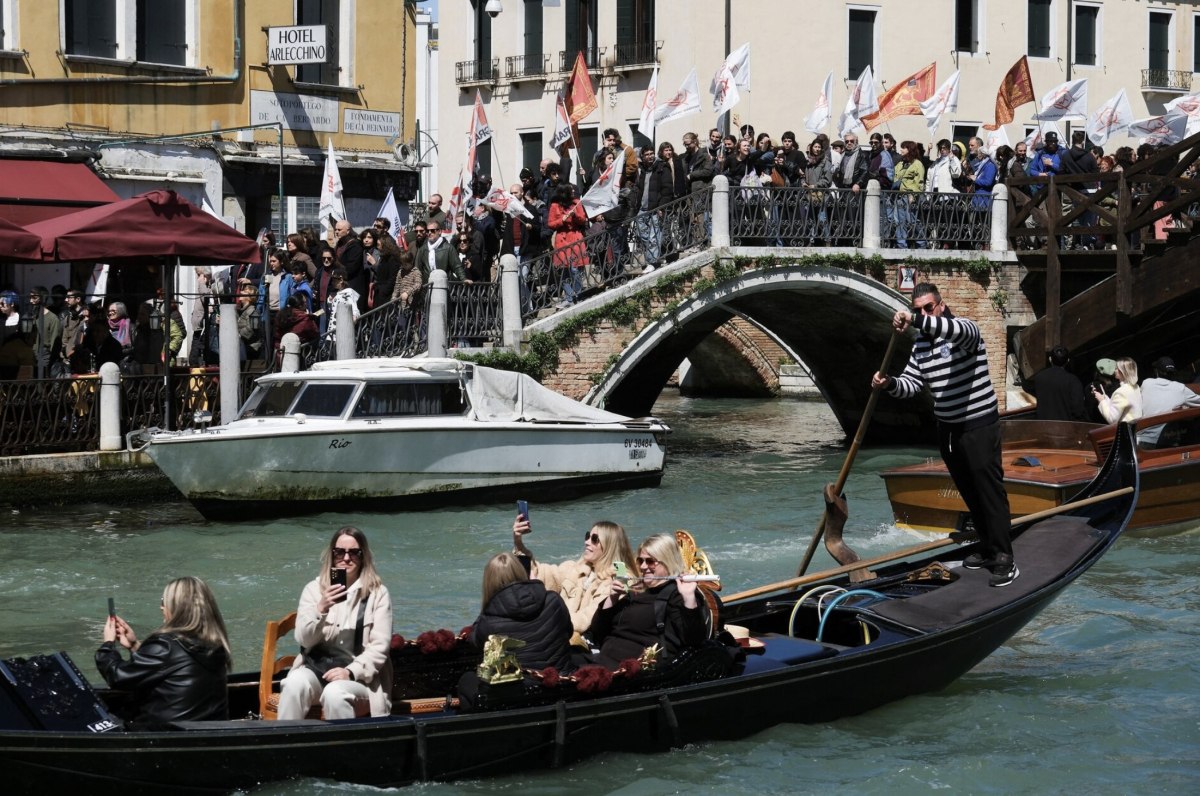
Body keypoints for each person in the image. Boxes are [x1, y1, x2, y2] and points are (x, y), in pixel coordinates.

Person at [872, 283, 1018, 587]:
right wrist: (889, 384)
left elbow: (955, 331)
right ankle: (986, 546)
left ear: (940, 305)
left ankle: (1005, 557)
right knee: (968, 490)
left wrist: (915, 320)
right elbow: (913, 385)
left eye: (928, 307)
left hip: (978, 424)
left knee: (988, 489)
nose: (924, 313)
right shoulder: (920, 347)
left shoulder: (965, 330)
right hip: (948, 429)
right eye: (918, 309)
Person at [277, 527, 393, 720]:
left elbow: (380, 648)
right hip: (317, 670)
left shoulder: (378, 594)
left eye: (353, 553)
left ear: (363, 556)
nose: (346, 558)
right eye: (340, 552)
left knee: (335, 693)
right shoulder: (313, 590)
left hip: (360, 680)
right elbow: (304, 641)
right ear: (332, 554)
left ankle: (340, 748)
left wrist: (350, 672)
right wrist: (320, 609)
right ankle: (285, 745)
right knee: (293, 683)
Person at [94, 576, 231, 729]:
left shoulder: (166, 644)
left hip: (163, 733)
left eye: (164, 601)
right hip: (204, 730)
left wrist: (107, 645)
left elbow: (118, 677)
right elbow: (174, 665)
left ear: (178, 607)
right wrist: (134, 645)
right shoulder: (216, 644)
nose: (161, 607)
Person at [511, 514, 637, 646]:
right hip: (561, 632)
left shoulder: (620, 579)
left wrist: (546, 620)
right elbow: (539, 573)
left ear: (609, 546)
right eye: (588, 536)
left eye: (594, 539)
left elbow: (587, 619)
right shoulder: (576, 567)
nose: (587, 542)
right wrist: (518, 542)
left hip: (588, 644)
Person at [586, 533, 707, 669]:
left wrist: (689, 598)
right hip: (603, 660)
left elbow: (695, 641)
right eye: (640, 561)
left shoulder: (677, 594)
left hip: (634, 670)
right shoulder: (636, 591)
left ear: (668, 561)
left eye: (650, 561)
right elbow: (597, 632)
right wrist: (612, 599)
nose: (643, 567)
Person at [468, 552, 575, 673]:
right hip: (562, 681)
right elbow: (568, 632)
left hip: (521, 688)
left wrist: (486, 608)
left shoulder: (488, 621)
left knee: (466, 681)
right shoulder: (554, 600)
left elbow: (474, 643)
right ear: (523, 572)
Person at [1138, 356, 1200, 448]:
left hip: (1143, 442)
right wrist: (1186, 407)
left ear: (1156, 371)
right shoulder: (1180, 388)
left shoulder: (1146, 383)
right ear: (1174, 373)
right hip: (1166, 442)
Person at [1024, 345, 1087, 422]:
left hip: (1042, 426)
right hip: (1065, 427)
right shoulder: (1073, 381)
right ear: (1068, 361)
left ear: (1050, 359)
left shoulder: (1039, 377)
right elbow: (1078, 410)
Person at [1092, 356, 1142, 424]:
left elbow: (1112, 419)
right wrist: (1105, 398)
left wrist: (1101, 401)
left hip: (1125, 431)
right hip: (1136, 428)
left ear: (1122, 371)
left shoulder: (1121, 392)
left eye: (1116, 368)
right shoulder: (1136, 387)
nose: (1114, 371)